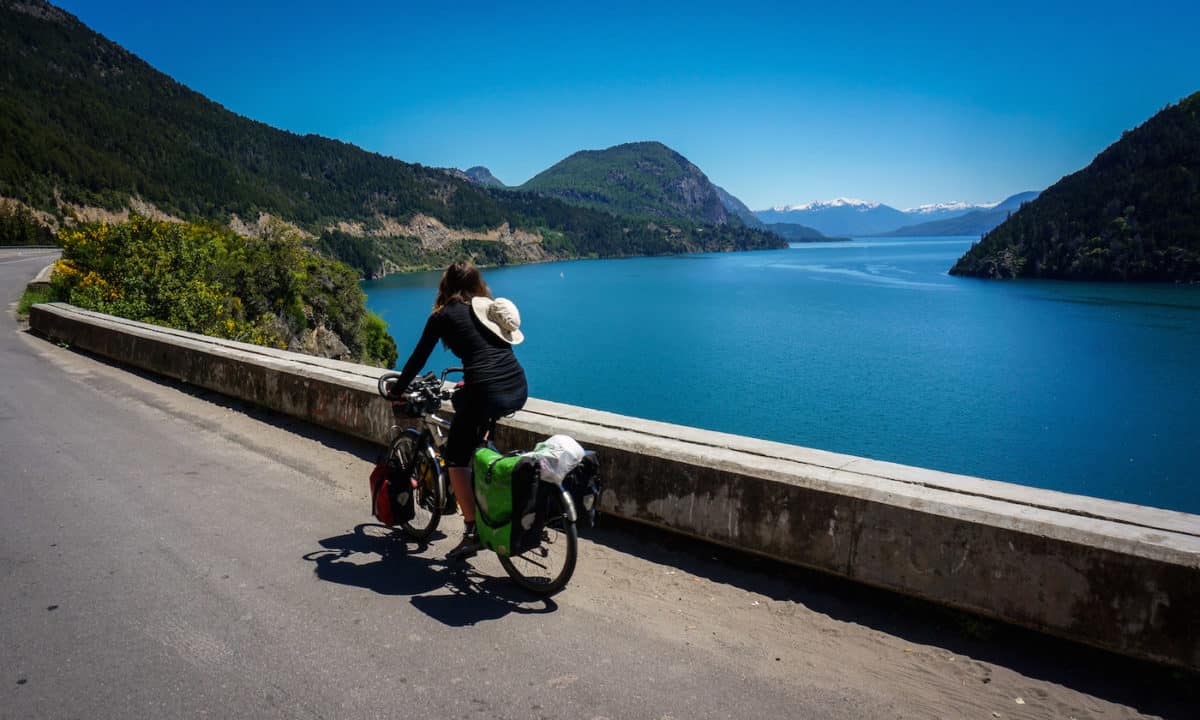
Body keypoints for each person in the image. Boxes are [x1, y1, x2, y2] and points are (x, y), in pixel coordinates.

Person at [388, 260, 528, 560]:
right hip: (517, 386)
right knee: (475, 434)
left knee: (455, 459)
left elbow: (417, 359)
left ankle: (472, 530)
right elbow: (491, 355)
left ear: (445, 286)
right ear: (477, 285)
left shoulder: (442, 316)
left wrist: (397, 391)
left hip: (486, 390)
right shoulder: (486, 311)